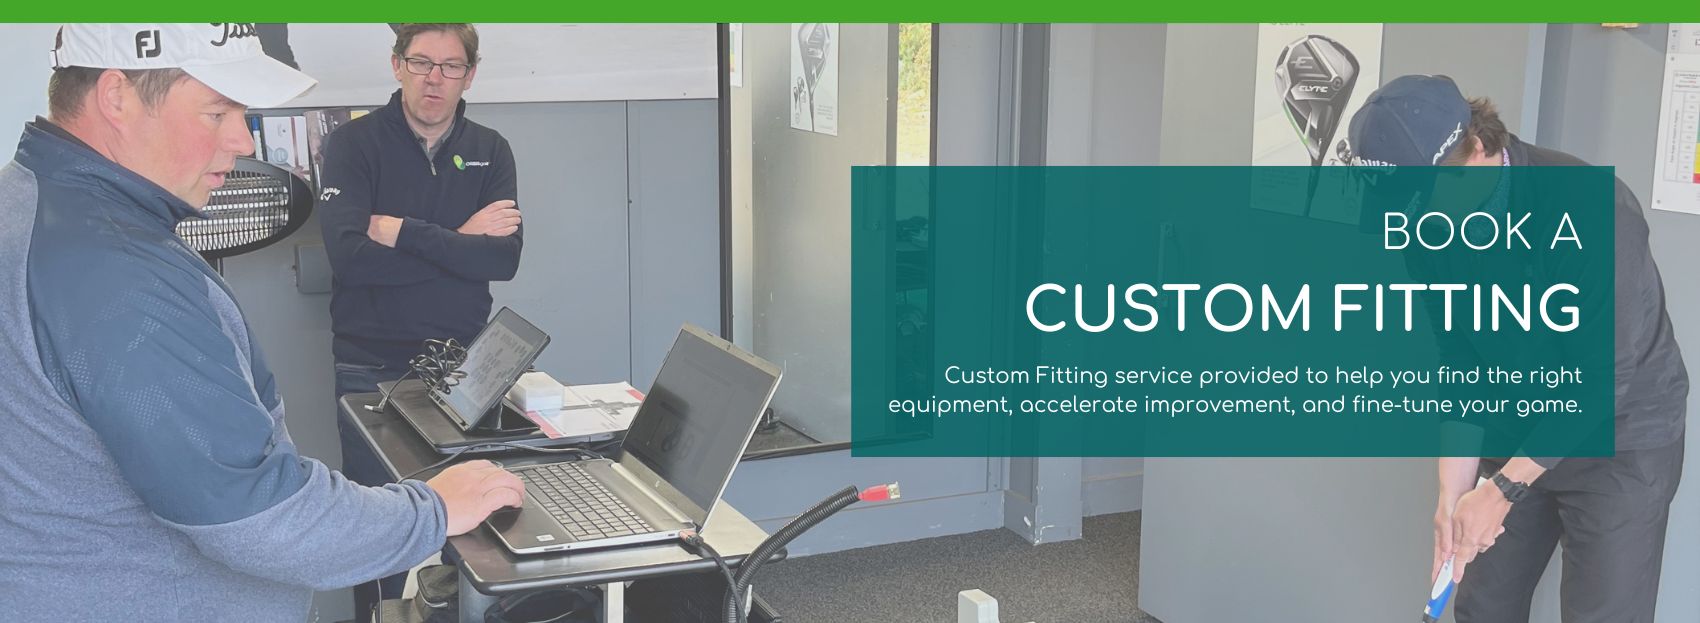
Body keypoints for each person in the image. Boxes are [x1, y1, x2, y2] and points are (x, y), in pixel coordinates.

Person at [0, 23, 526, 623]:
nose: (242, 139)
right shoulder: (113, 270)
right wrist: (432, 509)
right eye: (217, 112)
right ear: (116, 96)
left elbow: (501, 258)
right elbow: (258, 514)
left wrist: (403, 235)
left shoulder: (34, 203)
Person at [1346, 75, 1687, 622]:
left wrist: (1503, 488)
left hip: (1618, 435)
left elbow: (1601, 377)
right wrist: (1452, 495)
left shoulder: (1589, 207)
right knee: (1484, 607)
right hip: (1516, 419)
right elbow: (1460, 356)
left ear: (1478, 149)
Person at [316, 22, 523, 619]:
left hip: (463, 370)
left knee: (468, 531)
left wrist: (404, 232)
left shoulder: (491, 149)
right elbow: (351, 260)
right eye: (421, 62)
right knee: (377, 529)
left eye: (451, 66)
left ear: (469, 75)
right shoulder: (353, 145)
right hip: (370, 367)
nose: (435, 78)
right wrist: (460, 240)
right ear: (397, 65)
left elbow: (503, 260)